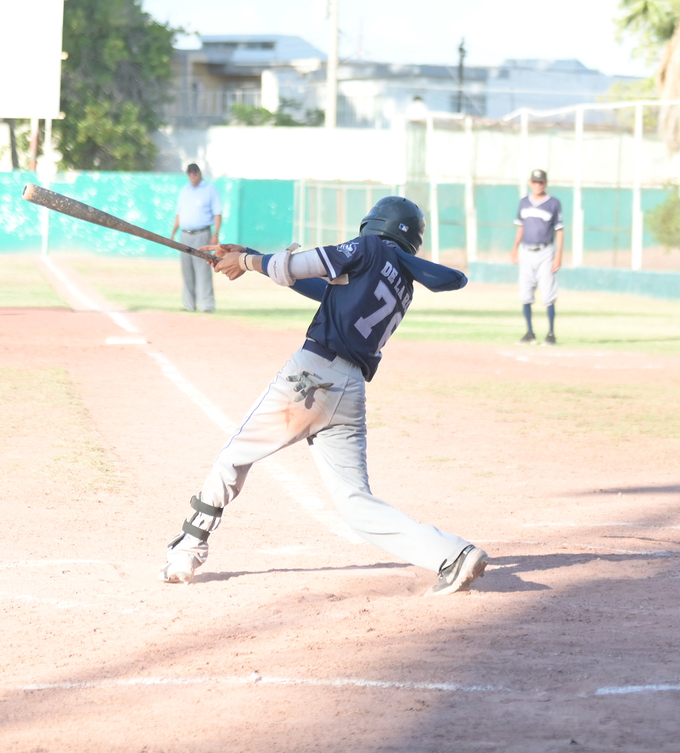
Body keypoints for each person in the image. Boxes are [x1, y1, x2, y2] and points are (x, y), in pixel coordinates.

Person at [158, 196, 489, 596]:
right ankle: (453, 554)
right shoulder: (400, 281)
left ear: (374, 224)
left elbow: (296, 267)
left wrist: (246, 264)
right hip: (349, 393)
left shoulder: (366, 249)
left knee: (234, 457)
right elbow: (321, 288)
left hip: (311, 378)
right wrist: (251, 255)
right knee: (356, 504)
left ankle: (188, 548)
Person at [510, 168, 563, 345]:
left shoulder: (553, 203)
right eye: (534, 181)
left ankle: (551, 334)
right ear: (530, 183)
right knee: (525, 293)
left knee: (548, 293)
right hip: (526, 251)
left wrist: (559, 256)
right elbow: (520, 227)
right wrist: (514, 248)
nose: (537, 185)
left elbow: (559, 230)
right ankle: (530, 333)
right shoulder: (524, 202)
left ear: (545, 183)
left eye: (541, 182)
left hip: (546, 252)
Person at [169, 163, 222, 313]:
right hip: (185, 234)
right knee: (187, 270)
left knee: (203, 270)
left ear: (199, 174)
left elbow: (218, 214)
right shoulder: (184, 191)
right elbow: (179, 214)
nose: (192, 176)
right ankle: (189, 304)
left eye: (195, 174)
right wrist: (173, 233)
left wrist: (215, 234)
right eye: (190, 174)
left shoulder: (209, 189)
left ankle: (207, 305)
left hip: (202, 234)